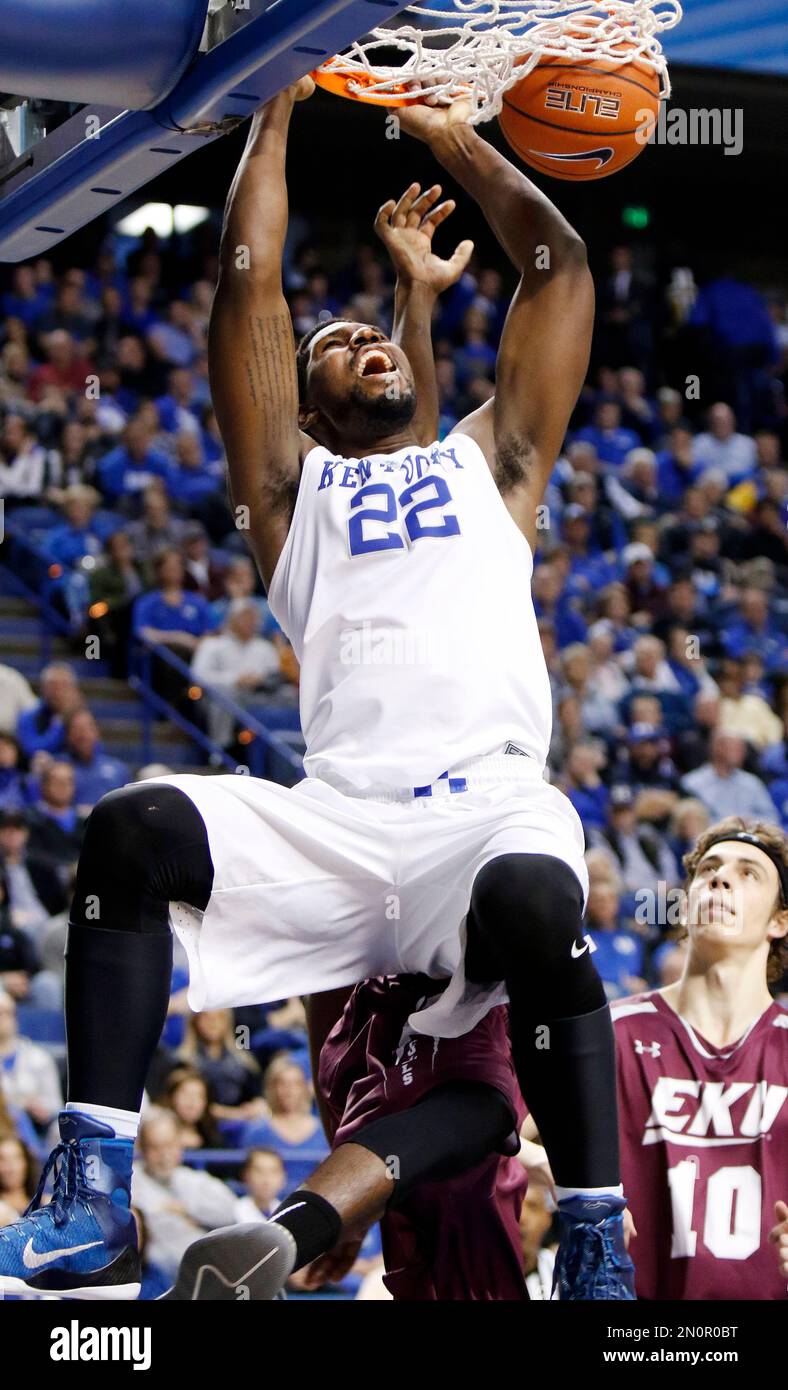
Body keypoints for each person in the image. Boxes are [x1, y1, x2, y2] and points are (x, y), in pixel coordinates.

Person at [0, 82, 631, 1302]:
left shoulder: (492, 464)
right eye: (332, 345)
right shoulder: (292, 501)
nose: (362, 341)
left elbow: (558, 268)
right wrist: (269, 104)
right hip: (343, 819)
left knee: (535, 900)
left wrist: (457, 138)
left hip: (486, 811)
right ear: (302, 404)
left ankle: (594, 1241)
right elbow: (249, 281)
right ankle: (90, 1194)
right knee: (129, 829)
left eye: (376, 335)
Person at [612, 817, 788, 1299]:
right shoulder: (611, 1031)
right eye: (708, 868)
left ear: (779, 921)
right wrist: (574, 1186)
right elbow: (499, 1134)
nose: (720, 877)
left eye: (748, 873)